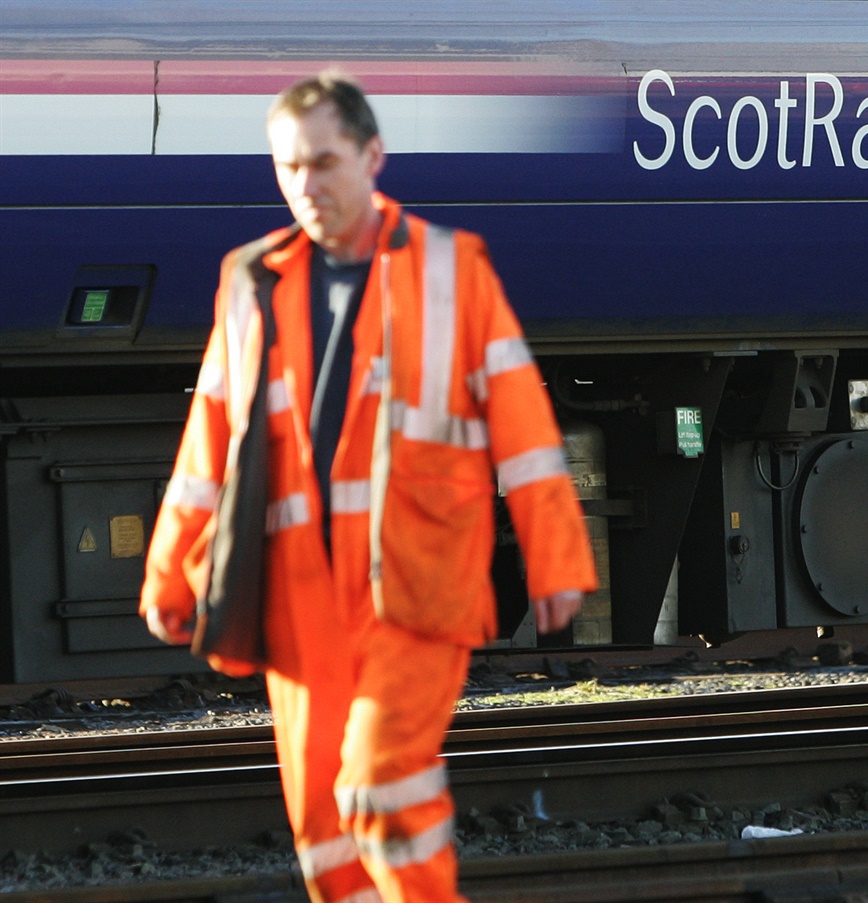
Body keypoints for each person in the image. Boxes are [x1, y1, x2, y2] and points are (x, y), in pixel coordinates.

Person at [141, 71, 598, 903]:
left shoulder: (451, 269)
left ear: (373, 155)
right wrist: (172, 571)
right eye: (288, 168)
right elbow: (212, 438)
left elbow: (523, 423)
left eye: (324, 162)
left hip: (417, 580)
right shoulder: (251, 281)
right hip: (297, 592)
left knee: (380, 784)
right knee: (321, 827)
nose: (306, 186)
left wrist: (557, 557)